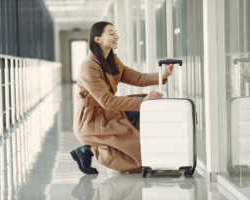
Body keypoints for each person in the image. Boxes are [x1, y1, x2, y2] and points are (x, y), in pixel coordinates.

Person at [70, 21, 174, 174]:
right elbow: (107, 101)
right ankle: (90, 150)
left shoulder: (112, 60)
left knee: (148, 105)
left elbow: (137, 78)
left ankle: (89, 150)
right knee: (139, 156)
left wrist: (163, 74)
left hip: (108, 114)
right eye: (111, 34)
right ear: (97, 39)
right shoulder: (88, 66)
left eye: (116, 33)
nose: (116, 36)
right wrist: (142, 102)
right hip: (92, 121)